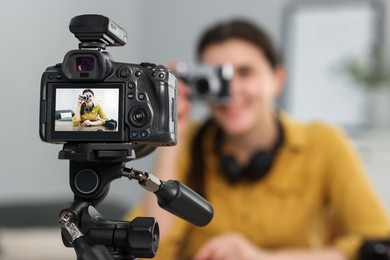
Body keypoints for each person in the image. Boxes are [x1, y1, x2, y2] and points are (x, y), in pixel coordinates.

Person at [126, 19, 390, 260]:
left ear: (277, 79)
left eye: (245, 72)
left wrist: (260, 258)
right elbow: (148, 247)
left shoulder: (323, 143)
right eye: (219, 77)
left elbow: (377, 244)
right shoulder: (189, 142)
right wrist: (172, 131)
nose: (232, 91)